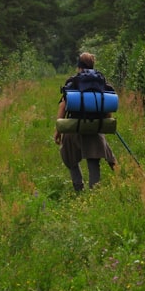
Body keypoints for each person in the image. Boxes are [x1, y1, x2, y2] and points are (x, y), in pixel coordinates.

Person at [55, 52, 117, 192]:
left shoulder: (74, 82)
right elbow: (107, 107)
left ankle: (78, 187)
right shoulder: (101, 82)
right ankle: (94, 191)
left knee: (70, 158)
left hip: (74, 127)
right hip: (94, 128)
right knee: (94, 161)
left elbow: (63, 106)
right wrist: (104, 123)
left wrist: (58, 131)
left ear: (79, 66)